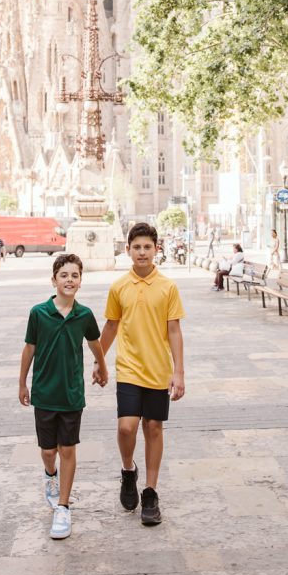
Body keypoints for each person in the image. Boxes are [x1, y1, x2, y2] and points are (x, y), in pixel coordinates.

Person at [94, 222, 185, 527]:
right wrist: (99, 361)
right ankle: (127, 471)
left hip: (158, 370)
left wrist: (179, 372)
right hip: (129, 368)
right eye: (137, 247)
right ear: (128, 250)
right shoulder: (119, 287)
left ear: (156, 249)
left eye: (147, 247)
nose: (142, 252)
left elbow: (174, 330)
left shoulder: (168, 287)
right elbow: (110, 326)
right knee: (126, 428)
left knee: (154, 427)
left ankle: (150, 492)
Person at [19, 253, 108, 540]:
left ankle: (63, 506)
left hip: (71, 394)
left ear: (80, 281)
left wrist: (102, 368)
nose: (69, 280)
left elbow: (95, 344)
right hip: (44, 393)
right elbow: (29, 349)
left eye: (74, 275)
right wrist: (22, 383)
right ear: (54, 280)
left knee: (67, 449)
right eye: (64, 275)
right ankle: (49, 475)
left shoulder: (84, 315)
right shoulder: (38, 313)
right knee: (48, 451)